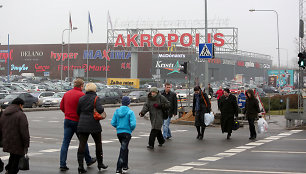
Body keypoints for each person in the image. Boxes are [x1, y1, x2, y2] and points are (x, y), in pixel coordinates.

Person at [59, 78, 96, 171]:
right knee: (83, 141)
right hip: (78, 121)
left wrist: (67, 113)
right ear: (81, 86)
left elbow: (61, 107)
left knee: (65, 143)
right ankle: (88, 159)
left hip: (67, 120)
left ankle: (62, 164)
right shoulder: (82, 95)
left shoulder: (66, 94)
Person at [77, 83, 108, 173]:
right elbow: (100, 110)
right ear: (94, 89)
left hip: (82, 124)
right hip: (94, 124)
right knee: (98, 144)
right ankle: (100, 163)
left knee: (82, 145)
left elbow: (78, 111)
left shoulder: (81, 98)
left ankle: (80, 166)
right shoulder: (96, 98)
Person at [0, 98, 29, 174]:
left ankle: (8, 169)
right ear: (20, 105)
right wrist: (26, 144)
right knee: (16, 163)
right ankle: (10, 171)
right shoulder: (21, 115)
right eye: (22, 106)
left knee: (13, 157)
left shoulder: (4, 113)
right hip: (17, 143)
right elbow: (24, 132)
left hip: (7, 140)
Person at [111, 96, 136, 174]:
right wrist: (130, 129)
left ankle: (125, 166)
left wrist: (118, 127)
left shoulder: (117, 111)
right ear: (128, 103)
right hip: (127, 133)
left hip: (119, 133)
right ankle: (119, 168)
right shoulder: (130, 112)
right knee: (123, 150)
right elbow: (133, 124)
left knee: (125, 149)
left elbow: (113, 123)